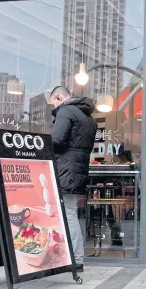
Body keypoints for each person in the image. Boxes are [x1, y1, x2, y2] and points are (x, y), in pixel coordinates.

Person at [49, 86, 97, 271]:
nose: (54, 107)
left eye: (54, 102)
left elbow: (57, 141)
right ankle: (72, 257)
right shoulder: (88, 117)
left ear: (60, 97)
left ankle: (75, 259)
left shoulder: (66, 110)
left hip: (65, 169)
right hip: (77, 169)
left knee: (68, 214)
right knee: (70, 212)